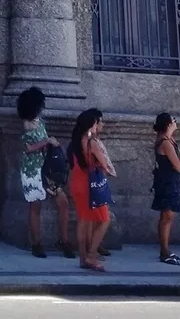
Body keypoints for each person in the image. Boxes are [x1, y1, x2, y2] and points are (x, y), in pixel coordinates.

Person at [16, 87, 73, 259]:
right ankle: (36, 243)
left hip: (46, 167)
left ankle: (64, 240)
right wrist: (47, 141)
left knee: (63, 203)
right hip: (32, 169)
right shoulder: (26, 124)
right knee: (35, 205)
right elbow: (28, 148)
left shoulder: (39, 121)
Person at [67, 108, 115, 272]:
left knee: (83, 220)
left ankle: (83, 258)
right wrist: (109, 169)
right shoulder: (92, 142)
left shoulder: (77, 140)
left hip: (77, 183)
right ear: (91, 124)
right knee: (104, 219)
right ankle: (92, 255)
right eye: (97, 122)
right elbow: (104, 165)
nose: (99, 125)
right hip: (90, 185)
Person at [151, 112, 180, 266]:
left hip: (169, 181)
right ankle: (164, 251)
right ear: (168, 124)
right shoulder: (165, 142)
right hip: (167, 182)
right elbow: (178, 166)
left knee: (168, 216)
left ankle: (165, 250)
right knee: (166, 217)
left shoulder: (168, 139)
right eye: (173, 120)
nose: (176, 122)